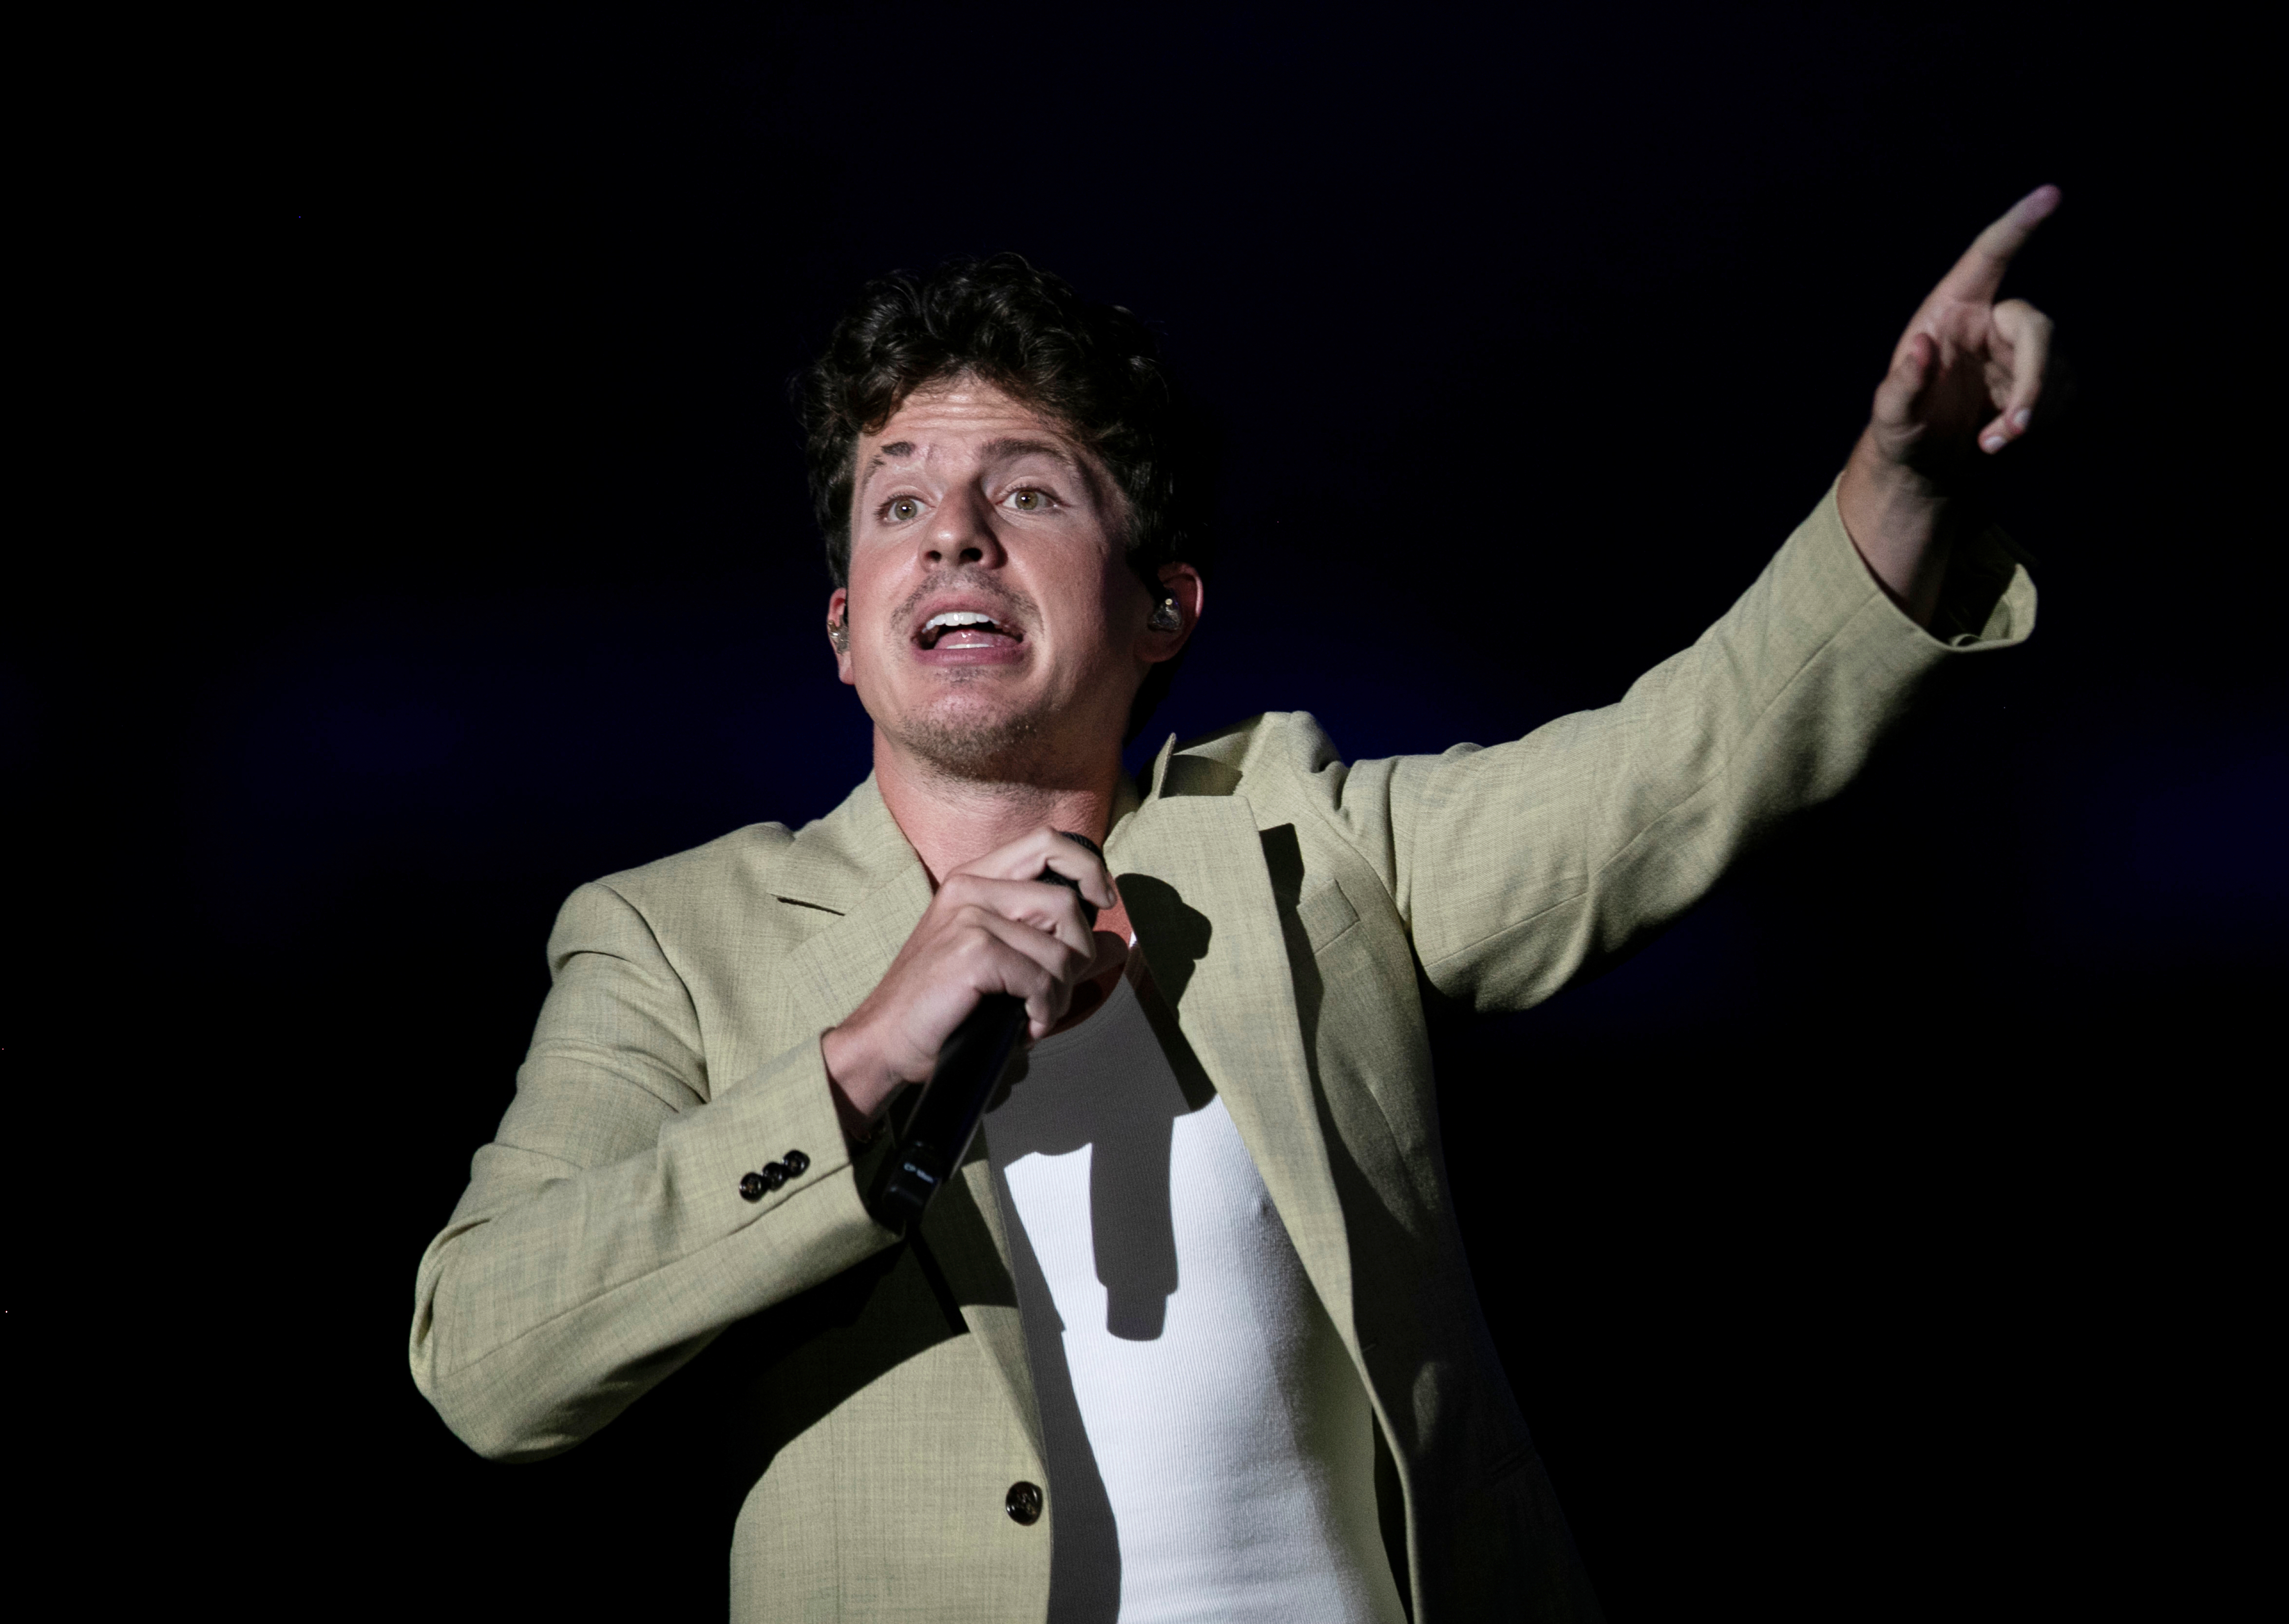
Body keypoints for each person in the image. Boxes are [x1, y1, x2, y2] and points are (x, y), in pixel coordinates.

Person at [411, 188, 2057, 1622]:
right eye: (898, 501)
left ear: (1165, 605)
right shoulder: (673, 941)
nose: (955, 537)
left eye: (1031, 495)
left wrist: (1899, 488)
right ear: (846, 626)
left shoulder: (1309, 845)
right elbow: (489, 1360)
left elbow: (1671, 772)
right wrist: (849, 1069)